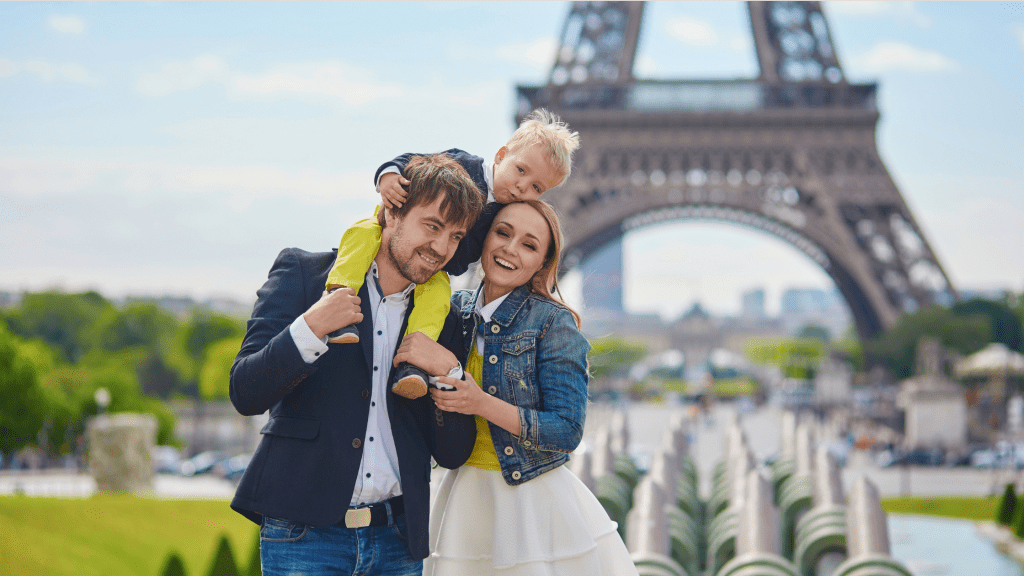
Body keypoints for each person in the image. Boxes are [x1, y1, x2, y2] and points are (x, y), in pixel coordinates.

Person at [228, 153, 485, 576]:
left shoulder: (447, 320)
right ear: (392, 212)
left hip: (397, 543)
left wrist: (449, 374)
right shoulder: (305, 276)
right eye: (433, 226)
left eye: (456, 236)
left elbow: (453, 453)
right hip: (304, 536)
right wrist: (310, 328)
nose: (441, 248)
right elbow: (246, 391)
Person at [393, 200, 639, 576]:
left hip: (530, 499)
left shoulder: (553, 323)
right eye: (502, 233)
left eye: (529, 244)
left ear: (543, 262)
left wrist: (479, 402)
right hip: (463, 494)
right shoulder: (451, 310)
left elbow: (567, 430)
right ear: (483, 237)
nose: (510, 249)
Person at [322, 109, 580, 400]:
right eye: (521, 170)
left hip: (435, 269)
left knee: (437, 300)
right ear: (500, 155)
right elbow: (414, 162)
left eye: (536, 187)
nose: (523, 186)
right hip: (385, 226)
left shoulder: (507, 215)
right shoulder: (465, 165)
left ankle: (413, 364)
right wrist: (389, 176)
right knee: (362, 235)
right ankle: (339, 299)